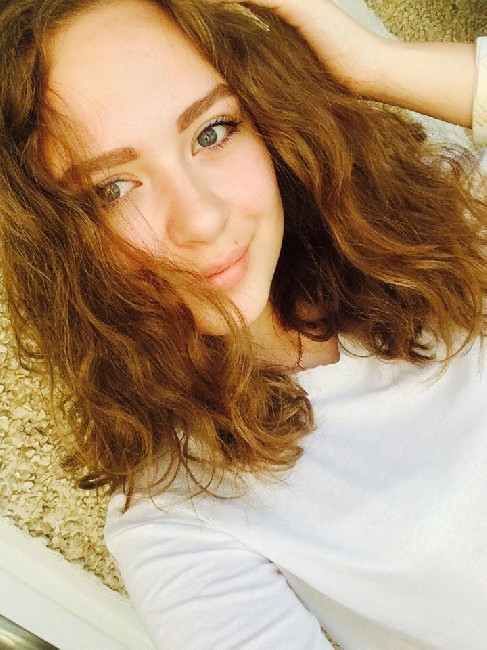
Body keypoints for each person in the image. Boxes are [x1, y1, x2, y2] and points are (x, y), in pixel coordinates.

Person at [0, 0, 486, 647]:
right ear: (58, 244)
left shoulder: (430, 234)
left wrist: (374, 65)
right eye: (111, 189)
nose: (200, 220)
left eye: (211, 132)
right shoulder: (182, 518)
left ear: (266, 119)